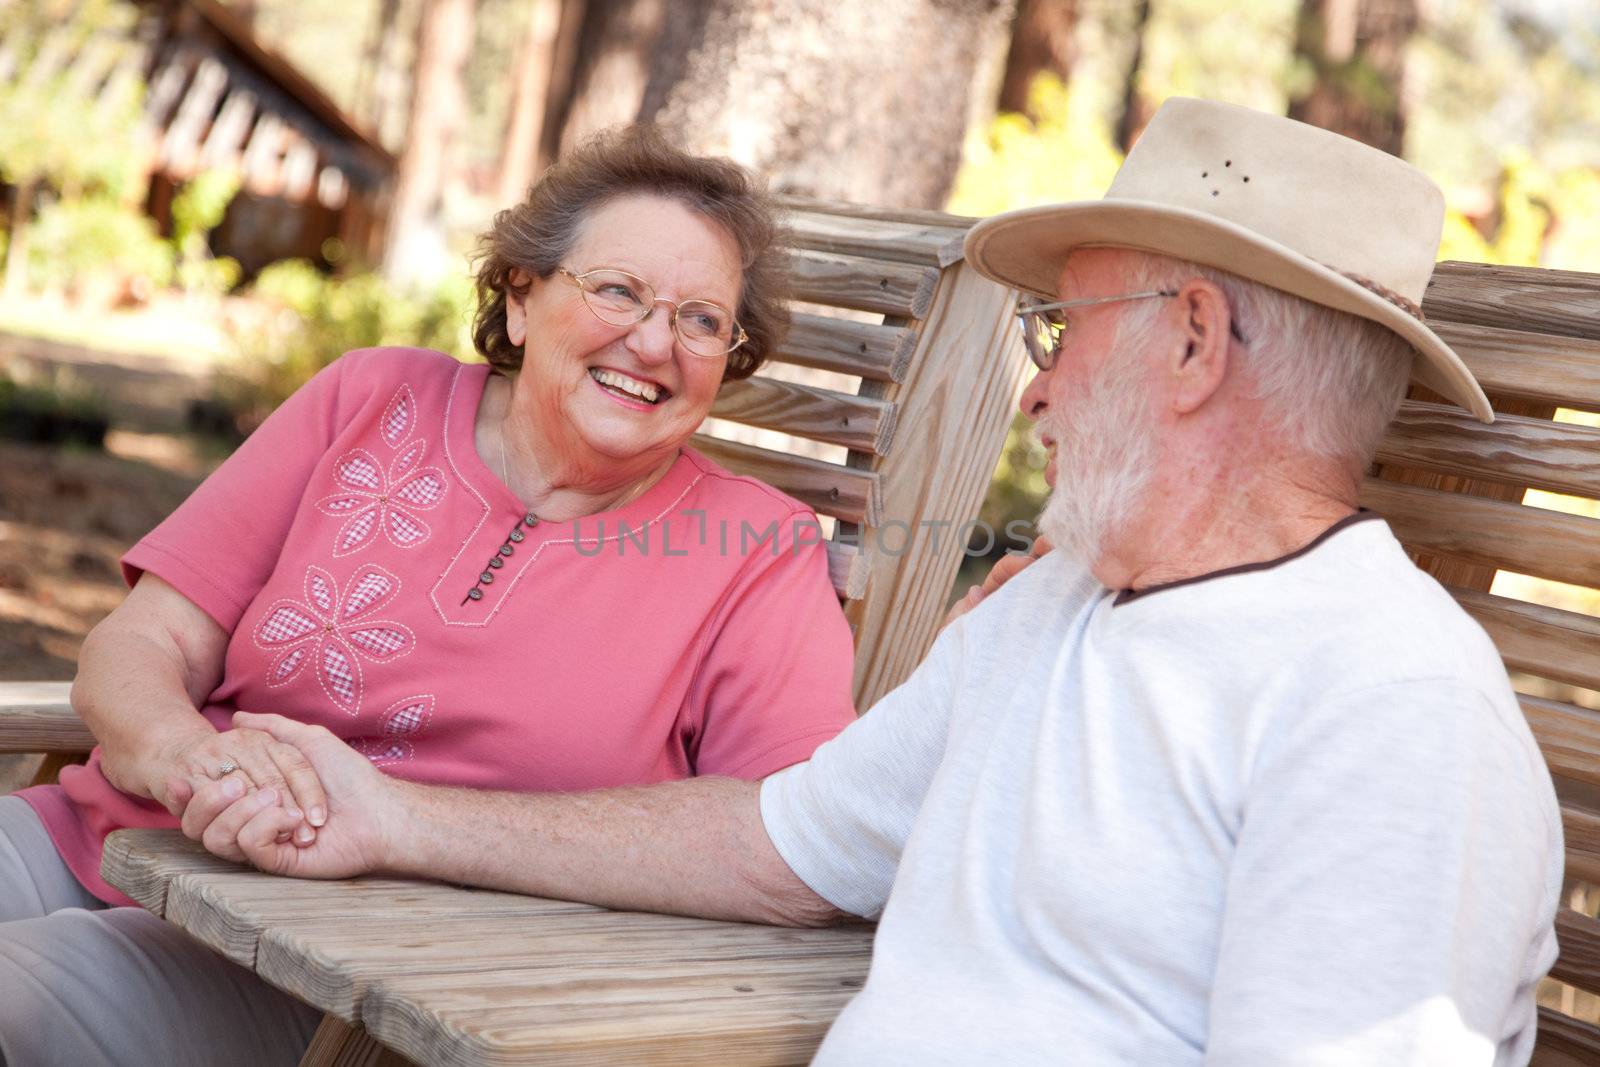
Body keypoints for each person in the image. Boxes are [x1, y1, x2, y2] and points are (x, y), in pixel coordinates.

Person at [126, 98, 1564, 1065]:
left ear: (1192, 345)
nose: (1043, 388)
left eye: (1067, 328)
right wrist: (394, 815)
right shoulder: (1060, 609)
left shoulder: (1388, 711)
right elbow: (775, 842)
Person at [0, 127, 859, 1066]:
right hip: (104, 839)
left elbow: (795, 847)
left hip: (333, 972)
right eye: (618, 289)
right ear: (521, 297)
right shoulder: (369, 397)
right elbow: (142, 641)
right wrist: (190, 763)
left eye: (702, 320)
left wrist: (404, 822)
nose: (654, 341)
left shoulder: (754, 549)